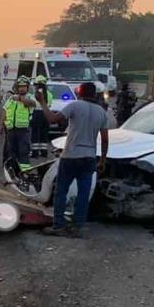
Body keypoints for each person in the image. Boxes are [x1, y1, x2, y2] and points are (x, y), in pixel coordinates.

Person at [42, 81, 109, 238]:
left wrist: (42, 102)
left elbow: (52, 119)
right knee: (83, 194)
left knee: (61, 192)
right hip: (89, 158)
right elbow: (105, 139)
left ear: (80, 93)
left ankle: (59, 226)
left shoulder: (75, 106)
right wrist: (102, 161)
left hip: (71, 156)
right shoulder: (101, 112)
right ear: (94, 94)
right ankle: (78, 227)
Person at [1, 76, 36, 172]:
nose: (22, 88)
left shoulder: (29, 97)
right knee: (11, 151)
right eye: (20, 86)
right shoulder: (12, 98)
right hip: (11, 129)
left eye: (24, 86)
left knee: (23, 151)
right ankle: (13, 170)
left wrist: (20, 98)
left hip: (23, 130)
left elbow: (32, 103)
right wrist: (2, 124)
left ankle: (25, 171)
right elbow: (5, 109)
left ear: (28, 87)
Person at [29, 75, 53, 158]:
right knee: (44, 134)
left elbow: (32, 105)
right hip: (46, 114)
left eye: (35, 84)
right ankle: (44, 152)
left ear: (38, 84)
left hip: (37, 114)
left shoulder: (36, 94)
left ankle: (35, 153)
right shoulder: (49, 94)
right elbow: (49, 105)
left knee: (35, 134)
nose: (35, 86)